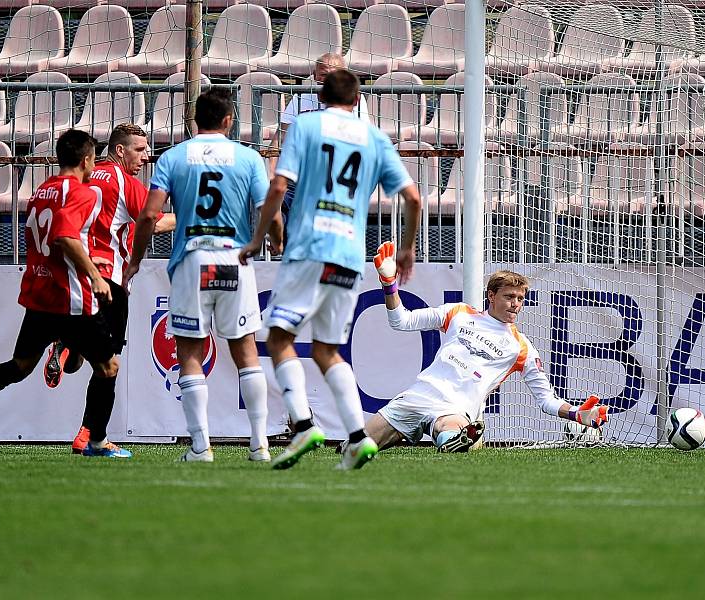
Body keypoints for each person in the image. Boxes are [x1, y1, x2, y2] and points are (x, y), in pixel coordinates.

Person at [239, 69, 422, 471]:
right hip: (349, 254)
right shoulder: (374, 137)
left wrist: (259, 238)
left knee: (278, 338)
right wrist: (406, 248)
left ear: (320, 96)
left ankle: (303, 425)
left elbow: (278, 186)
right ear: (358, 101)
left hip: (309, 247)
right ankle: (357, 438)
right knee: (325, 349)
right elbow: (413, 197)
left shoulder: (306, 125)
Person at [0, 129, 132, 458]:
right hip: (69, 297)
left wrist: (81, 253)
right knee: (109, 366)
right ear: (86, 160)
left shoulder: (42, 191)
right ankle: (97, 442)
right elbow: (65, 238)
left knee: (19, 366)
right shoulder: (82, 193)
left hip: (39, 293)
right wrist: (95, 274)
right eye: (93, 159)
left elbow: (53, 237)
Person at [123, 88, 280, 463]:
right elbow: (269, 211)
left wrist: (135, 260)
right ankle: (259, 445)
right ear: (228, 120)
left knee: (190, 352)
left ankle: (200, 447)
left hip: (192, 259)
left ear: (195, 121)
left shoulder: (174, 157)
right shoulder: (249, 158)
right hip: (234, 258)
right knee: (245, 349)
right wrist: (280, 242)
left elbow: (148, 216)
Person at [363, 242, 610, 452]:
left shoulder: (521, 348)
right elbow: (401, 321)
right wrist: (388, 282)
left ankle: (458, 438)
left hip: (455, 408)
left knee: (449, 432)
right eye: (509, 297)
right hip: (419, 394)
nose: (516, 304)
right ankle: (439, 436)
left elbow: (546, 400)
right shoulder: (457, 313)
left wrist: (577, 414)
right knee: (355, 448)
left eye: (520, 299)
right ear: (491, 296)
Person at [41, 123, 175, 454]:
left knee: (91, 357)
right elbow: (153, 220)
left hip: (77, 273)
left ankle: (68, 346)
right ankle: (90, 436)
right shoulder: (123, 181)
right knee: (109, 365)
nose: (146, 157)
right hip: (109, 278)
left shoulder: (85, 177)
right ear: (119, 150)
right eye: (140, 150)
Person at [269, 53, 369, 238]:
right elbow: (281, 134)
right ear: (314, 76)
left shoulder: (356, 102)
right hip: (300, 176)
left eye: (334, 73)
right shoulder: (301, 98)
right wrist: (272, 169)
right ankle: (280, 241)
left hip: (336, 179)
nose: (329, 79)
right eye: (323, 74)